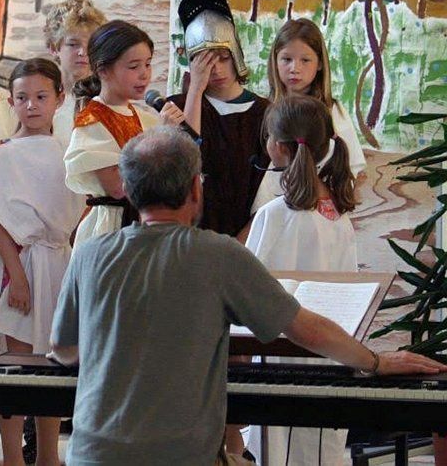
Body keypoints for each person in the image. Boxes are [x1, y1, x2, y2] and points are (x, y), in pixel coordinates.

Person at [49, 126, 446, 466]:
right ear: (195, 189)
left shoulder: (90, 254)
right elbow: (304, 328)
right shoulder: (217, 254)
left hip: (90, 455)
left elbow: (64, 350)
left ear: (129, 191)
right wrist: (376, 361)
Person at [0, 58, 84, 466]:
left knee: (53, 364)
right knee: (17, 366)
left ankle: (49, 455)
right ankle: (11, 457)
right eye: (22, 98)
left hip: (58, 265)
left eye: (41, 96)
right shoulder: (7, 154)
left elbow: (77, 214)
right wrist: (17, 277)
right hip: (20, 266)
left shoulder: (66, 151)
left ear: (59, 98)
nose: (32, 105)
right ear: (11, 102)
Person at [245, 95, 359, 465]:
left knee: (280, 450)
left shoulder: (275, 214)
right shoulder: (339, 215)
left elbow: (249, 290)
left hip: (283, 353)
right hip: (331, 352)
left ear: (278, 147)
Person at [165, 0, 269, 240]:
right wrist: (196, 89)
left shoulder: (265, 113)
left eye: (223, 58)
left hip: (249, 241)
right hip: (190, 240)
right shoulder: (175, 107)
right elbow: (184, 165)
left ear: (236, 54)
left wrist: (240, 245)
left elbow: (269, 195)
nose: (217, 70)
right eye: (206, 62)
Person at [64, 20, 174, 244]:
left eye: (148, 64)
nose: (144, 74)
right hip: (113, 228)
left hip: (143, 225)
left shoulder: (145, 117)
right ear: (103, 70)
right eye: (134, 67)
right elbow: (118, 187)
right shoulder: (93, 120)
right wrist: (161, 141)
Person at [253, 18, 366, 211]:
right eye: (287, 59)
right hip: (271, 211)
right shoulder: (264, 109)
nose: (294, 69)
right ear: (275, 60)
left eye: (305, 60)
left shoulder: (332, 111)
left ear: (320, 63)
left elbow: (351, 169)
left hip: (317, 211)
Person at [0, 0, 106, 149]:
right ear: (54, 48)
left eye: (90, 45)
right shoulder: (18, 108)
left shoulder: (108, 102)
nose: (83, 52)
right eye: (73, 44)